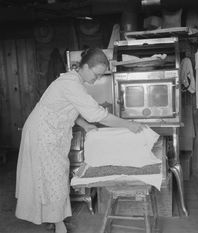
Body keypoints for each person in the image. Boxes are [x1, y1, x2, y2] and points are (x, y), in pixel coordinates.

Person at [15, 48, 145, 233]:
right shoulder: (71, 84)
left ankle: (54, 220)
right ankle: (58, 224)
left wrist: (84, 125)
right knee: (53, 178)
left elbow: (70, 108)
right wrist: (127, 125)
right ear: (84, 66)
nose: (97, 78)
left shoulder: (74, 82)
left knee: (54, 177)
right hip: (42, 134)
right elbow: (96, 114)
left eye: (100, 75)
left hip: (49, 132)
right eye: (96, 74)